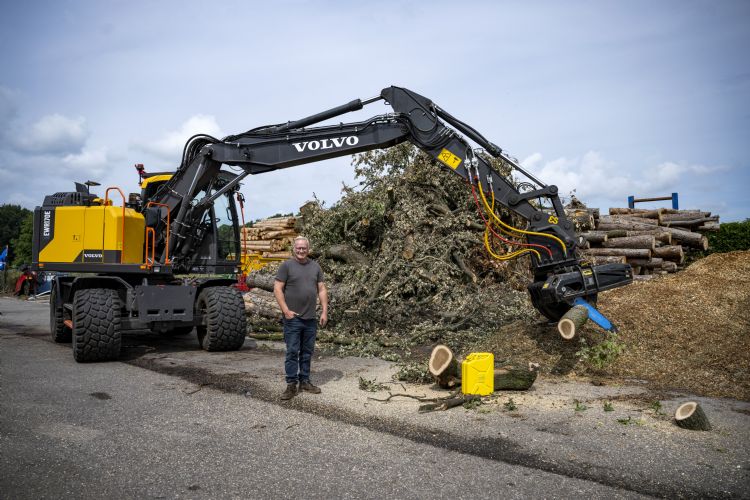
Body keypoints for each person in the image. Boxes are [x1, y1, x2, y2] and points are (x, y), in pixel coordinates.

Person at [273, 236, 328, 400]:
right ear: (294, 249)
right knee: (292, 352)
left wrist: (324, 311)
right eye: (298, 248)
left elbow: (322, 289)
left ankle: (304, 381)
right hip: (293, 319)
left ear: (308, 249)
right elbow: (277, 288)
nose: (301, 250)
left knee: (307, 352)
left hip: (310, 318)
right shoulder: (286, 266)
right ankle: (291, 384)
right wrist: (286, 311)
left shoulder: (315, 267)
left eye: (304, 248)